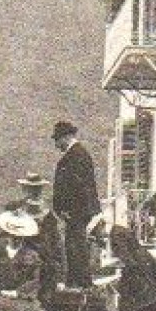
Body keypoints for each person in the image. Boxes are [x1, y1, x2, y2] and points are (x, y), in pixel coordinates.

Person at [51, 121, 102, 288]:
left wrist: (67, 210)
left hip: (76, 215)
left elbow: (78, 187)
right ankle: (76, 284)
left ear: (66, 137)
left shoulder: (77, 156)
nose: (57, 145)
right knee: (74, 251)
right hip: (76, 214)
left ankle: (80, 286)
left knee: (76, 251)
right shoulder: (77, 154)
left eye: (57, 140)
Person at [11, 173, 67, 295]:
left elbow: (57, 245)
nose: (33, 192)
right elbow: (10, 239)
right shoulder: (17, 212)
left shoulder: (48, 217)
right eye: (30, 188)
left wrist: (61, 279)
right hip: (21, 263)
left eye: (36, 189)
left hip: (44, 265)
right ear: (25, 189)